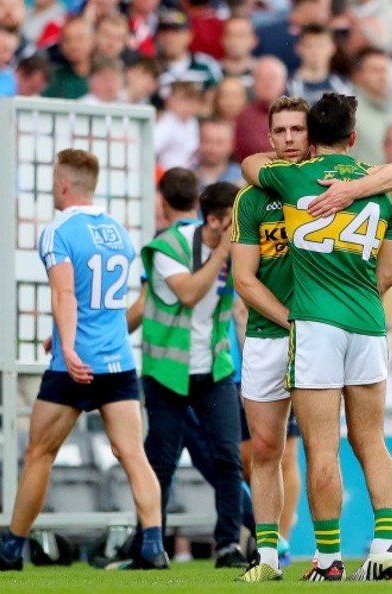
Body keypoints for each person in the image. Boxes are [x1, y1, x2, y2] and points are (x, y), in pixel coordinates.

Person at [232, 95, 392, 582]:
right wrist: (360, 185)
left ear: (311, 139)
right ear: (354, 138)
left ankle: (328, 559)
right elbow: (387, 274)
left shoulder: (295, 178)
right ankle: (385, 546)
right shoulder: (379, 194)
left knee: (320, 448)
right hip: (369, 324)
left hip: (315, 323)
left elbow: (250, 163)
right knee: (371, 439)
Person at [0, 148, 168, 571]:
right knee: (133, 453)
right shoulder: (117, 230)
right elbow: (100, 301)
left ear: (62, 184)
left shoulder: (58, 230)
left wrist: (69, 346)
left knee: (40, 452)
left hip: (75, 364)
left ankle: (10, 549)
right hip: (117, 358)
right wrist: (58, 334)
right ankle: (153, 544)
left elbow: (65, 293)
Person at [136, 176, 246, 569]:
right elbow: (188, 293)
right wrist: (222, 256)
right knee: (160, 462)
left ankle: (229, 545)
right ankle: (149, 544)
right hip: (167, 371)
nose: (242, 227)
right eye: (236, 220)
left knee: (228, 459)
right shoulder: (167, 247)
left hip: (214, 368)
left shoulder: (240, 251)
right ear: (216, 222)